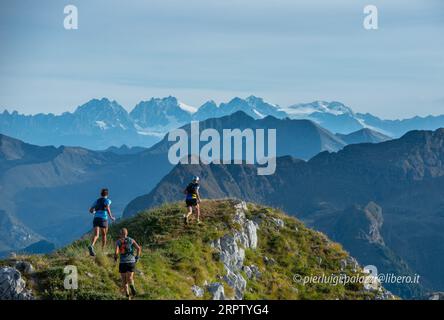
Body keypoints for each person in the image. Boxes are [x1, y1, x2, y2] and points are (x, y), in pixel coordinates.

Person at [114, 228, 142, 299]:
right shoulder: (131, 240)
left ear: (120, 234)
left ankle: (127, 296)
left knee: (124, 280)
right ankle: (132, 286)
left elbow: (116, 252)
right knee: (130, 278)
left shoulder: (118, 241)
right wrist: (137, 257)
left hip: (123, 263)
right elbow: (138, 248)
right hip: (131, 262)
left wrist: (115, 259)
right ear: (127, 233)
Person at [88, 188, 116, 256]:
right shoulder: (107, 200)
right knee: (104, 235)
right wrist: (111, 217)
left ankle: (91, 245)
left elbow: (91, 210)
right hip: (103, 219)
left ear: (101, 194)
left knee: (96, 235)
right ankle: (103, 250)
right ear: (107, 194)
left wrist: (95, 212)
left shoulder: (97, 201)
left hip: (96, 218)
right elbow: (107, 208)